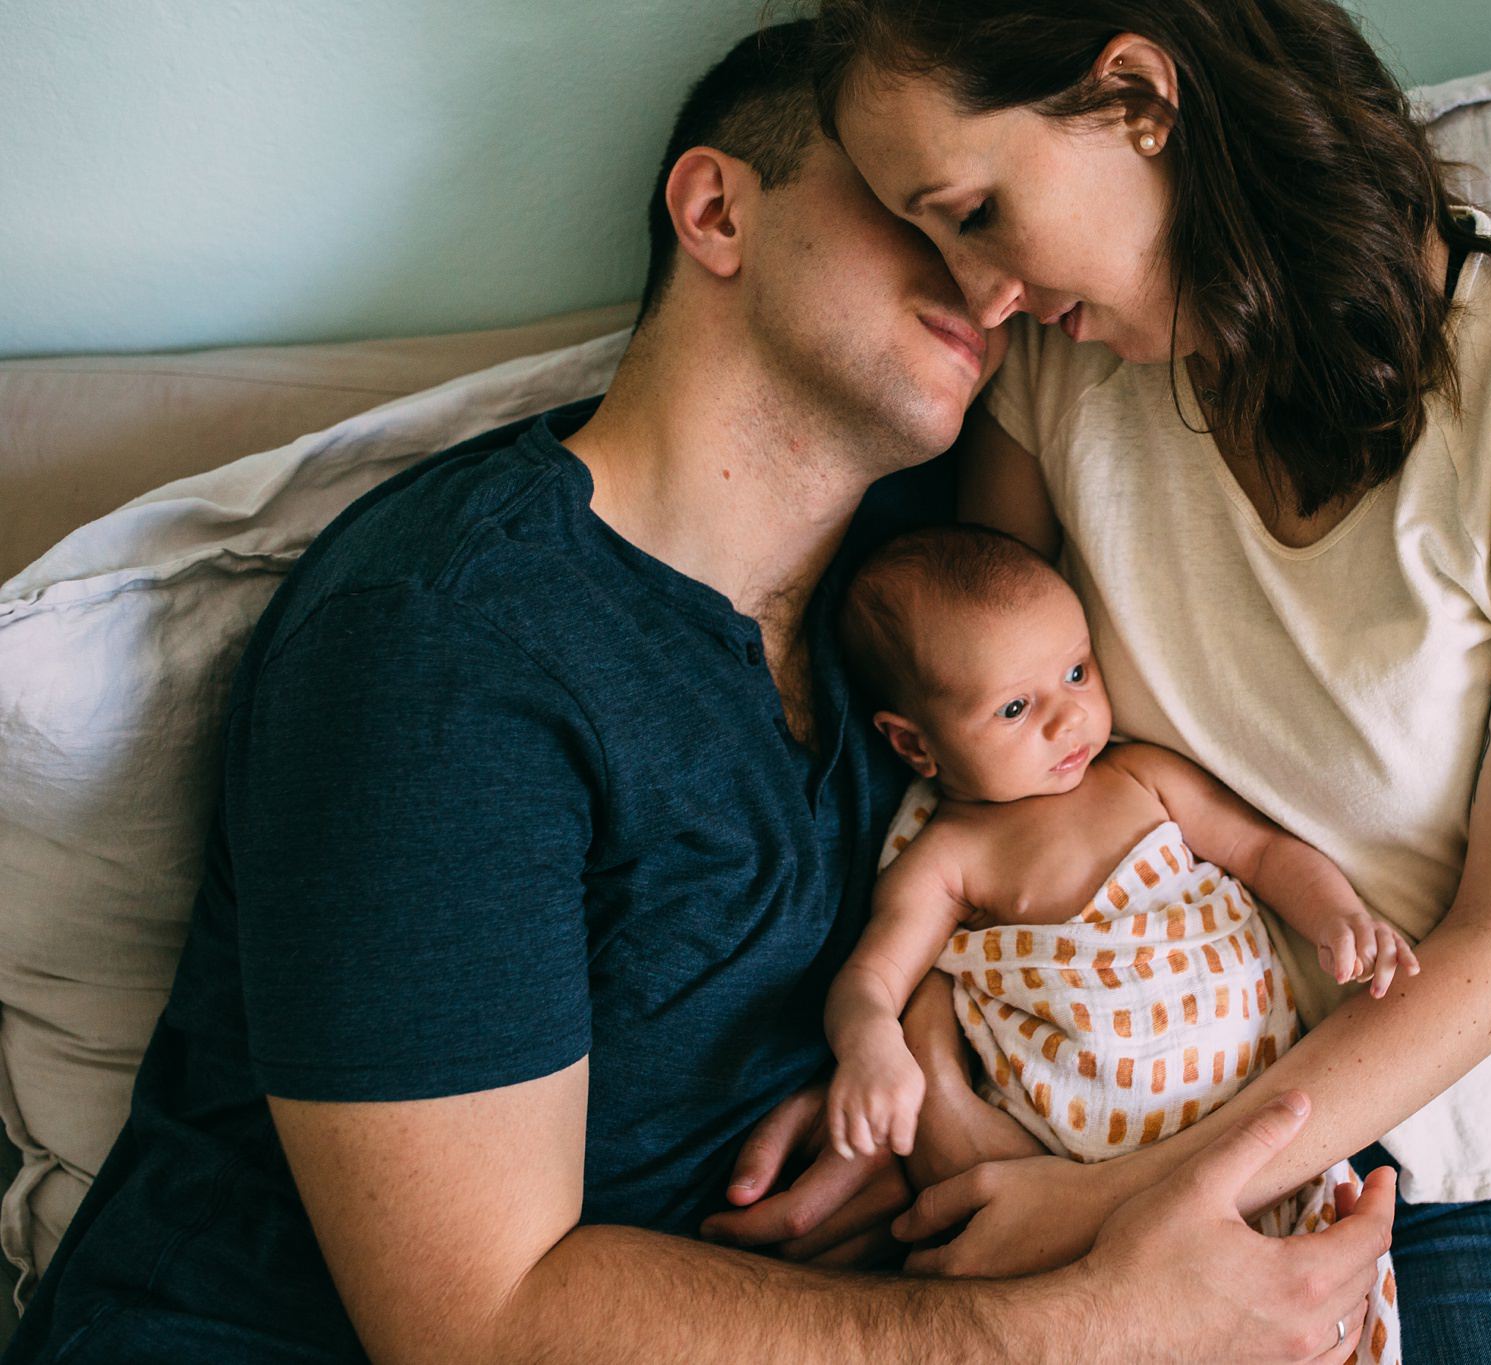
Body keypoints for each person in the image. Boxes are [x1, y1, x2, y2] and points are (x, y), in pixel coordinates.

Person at [0, 22, 1392, 1365]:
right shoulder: (447, 644)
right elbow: (473, 1324)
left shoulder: (926, 605)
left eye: (988, 220)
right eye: (922, 216)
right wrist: (1090, 1328)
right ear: (717, 212)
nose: (997, 278)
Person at [806, 1, 1491, 1359]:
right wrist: (910, 1081)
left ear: (1139, 97)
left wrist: (1109, 1209)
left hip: (1437, 1143)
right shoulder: (1058, 371)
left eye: (978, 213)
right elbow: (969, 781)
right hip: (1084, 1089)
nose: (983, 289)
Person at [821, 521, 1412, 1360]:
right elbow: (871, 979)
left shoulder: (1139, 775)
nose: (1068, 718)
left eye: (1076, 671)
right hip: (1083, 1192)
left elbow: (1261, 851)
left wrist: (1337, 916)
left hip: (1258, 1130)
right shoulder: (946, 860)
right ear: (915, 742)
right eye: (1017, 706)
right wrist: (870, 1043)